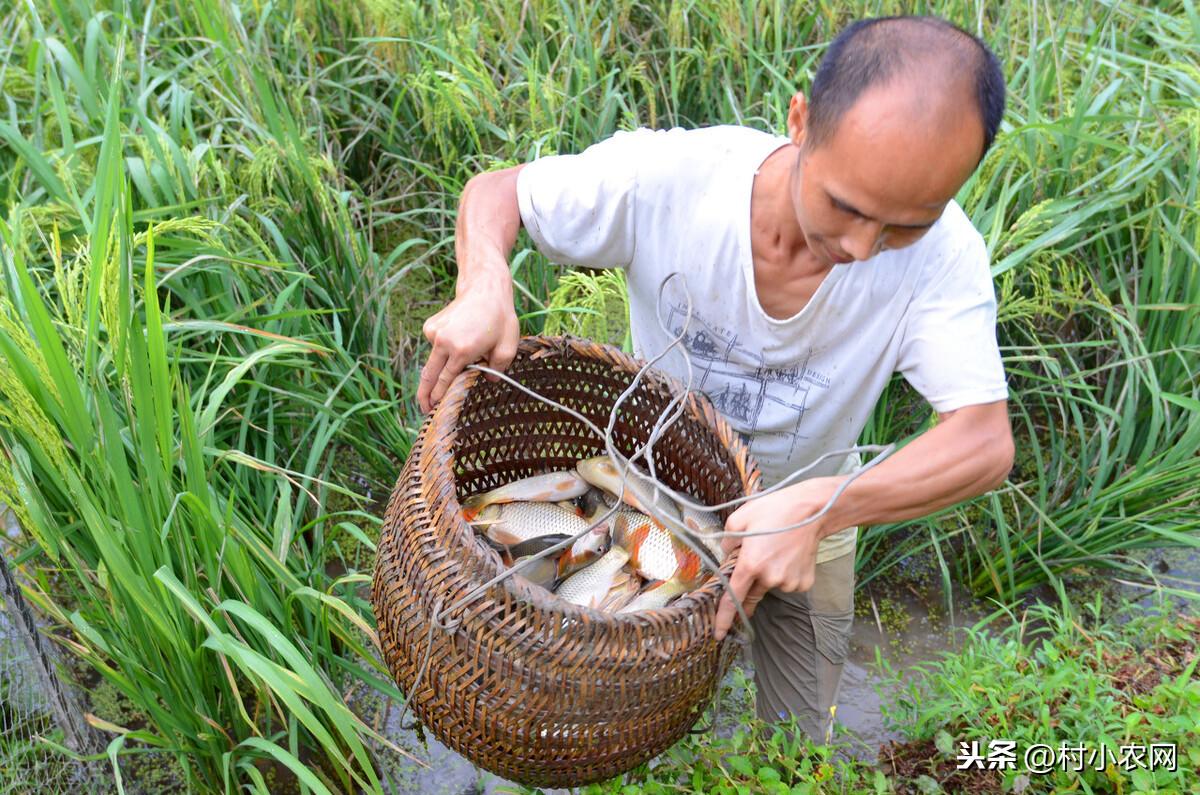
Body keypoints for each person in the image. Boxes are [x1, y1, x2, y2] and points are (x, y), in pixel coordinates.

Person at [417, 15, 1016, 744]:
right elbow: (500, 192)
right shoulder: (674, 179)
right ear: (800, 121)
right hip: (641, 499)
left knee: (799, 744)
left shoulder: (945, 258)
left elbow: (984, 442)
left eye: (904, 225)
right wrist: (485, 281)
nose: (862, 247)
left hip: (810, 529)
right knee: (608, 722)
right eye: (847, 207)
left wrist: (820, 511)